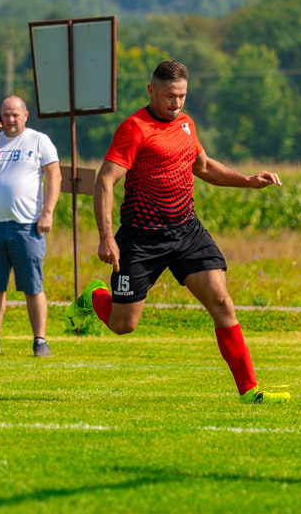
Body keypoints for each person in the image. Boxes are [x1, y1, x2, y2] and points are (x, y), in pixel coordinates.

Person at [65, 60, 289, 404]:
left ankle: (249, 391)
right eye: (170, 96)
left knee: (221, 301)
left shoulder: (186, 125)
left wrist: (248, 181)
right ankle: (94, 297)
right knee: (124, 324)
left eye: (182, 96)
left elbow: (204, 166)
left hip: (186, 231)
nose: (176, 103)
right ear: (151, 91)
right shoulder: (134, 128)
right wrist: (106, 237)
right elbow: (105, 180)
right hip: (141, 238)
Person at [0, 95, 61, 357]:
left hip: (27, 225)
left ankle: (40, 340)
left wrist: (47, 213)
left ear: (25, 115)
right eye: (6, 115)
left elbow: (54, 175)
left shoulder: (39, 141)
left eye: (15, 115)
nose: (10, 119)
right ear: (0, 116)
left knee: (33, 285)